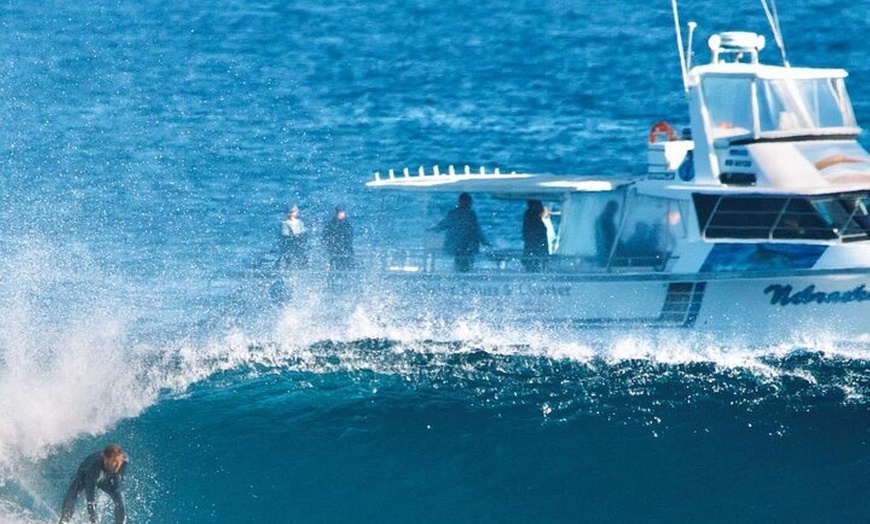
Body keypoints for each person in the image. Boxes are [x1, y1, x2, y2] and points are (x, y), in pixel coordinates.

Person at [59, 444, 128, 524]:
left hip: (107, 480)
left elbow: (119, 483)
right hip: (84, 476)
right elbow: (90, 499)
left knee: (121, 504)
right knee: (70, 499)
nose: (115, 465)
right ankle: (64, 521)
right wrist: (93, 521)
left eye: (117, 463)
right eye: (112, 462)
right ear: (105, 459)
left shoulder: (124, 461)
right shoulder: (94, 468)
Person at [431, 192, 487, 272]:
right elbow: (476, 229)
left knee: (461, 261)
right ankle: (463, 274)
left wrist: (434, 229)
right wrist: (484, 241)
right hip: (466, 244)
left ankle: (460, 273)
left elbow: (444, 224)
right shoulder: (469, 213)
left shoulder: (455, 212)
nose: (470, 204)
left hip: (458, 244)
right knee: (465, 261)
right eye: (469, 202)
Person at [321, 206, 354, 270]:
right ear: (337, 213)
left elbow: (350, 237)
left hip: (345, 248)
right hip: (334, 248)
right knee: (334, 266)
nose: (342, 214)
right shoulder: (331, 224)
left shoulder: (347, 224)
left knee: (347, 266)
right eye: (340, 212)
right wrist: (329, 245)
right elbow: (325, 236)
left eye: (343, 212)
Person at [522, 200, 549, 272]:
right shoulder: (532, 218)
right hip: (535, 246)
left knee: (532, 263)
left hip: (533, 245)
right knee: (534, 262)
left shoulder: (529, 216)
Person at [595, 200, 619, 266]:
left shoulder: (604, 219)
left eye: (615, 210)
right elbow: (608, 238)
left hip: (607, 252)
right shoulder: (604, 220)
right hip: (607, 253)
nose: (614, 212)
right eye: (614, 209)